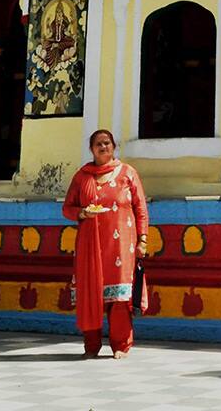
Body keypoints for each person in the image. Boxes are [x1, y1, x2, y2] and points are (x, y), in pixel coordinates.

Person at [62, 129, 149, 358]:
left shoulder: (127, 174)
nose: (103, 147)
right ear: (91, 149)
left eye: (107, 143)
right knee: (90, 294)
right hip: (91, 247)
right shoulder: (82, 177)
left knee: (119, 297)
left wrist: (143, 240)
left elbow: (140, 209)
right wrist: (82, 213)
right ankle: (91, 346)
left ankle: (121, 345)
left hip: (122, 247)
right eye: (98, 144)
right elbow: (67, 208)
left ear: (113, 147)